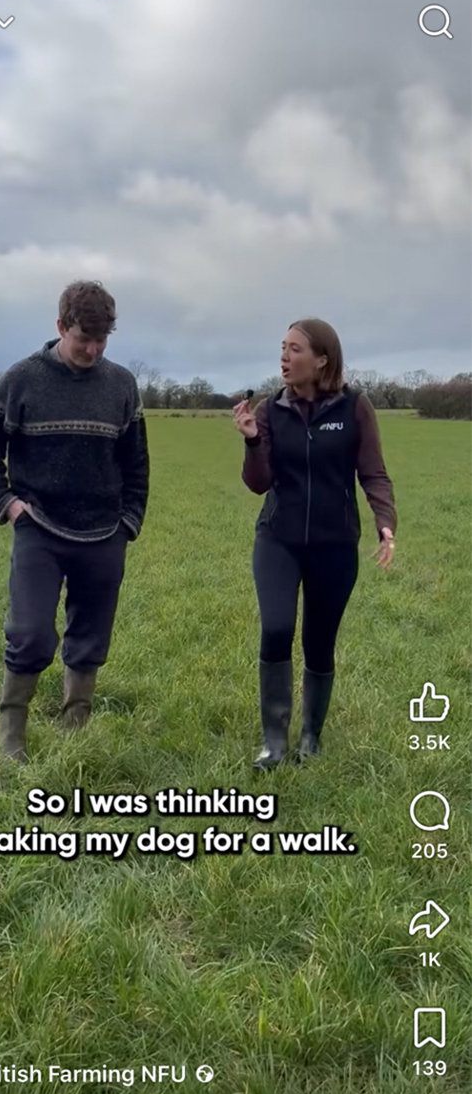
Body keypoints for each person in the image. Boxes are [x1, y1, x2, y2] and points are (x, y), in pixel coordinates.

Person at [0, 280, 150, 762]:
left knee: (91, 634)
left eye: (101, 340)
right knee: (30, 633)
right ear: (59, 327)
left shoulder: (121, 385)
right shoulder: (20, 380)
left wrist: (128, 521)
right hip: (40, 528)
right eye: (82, 339)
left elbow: (136, 463)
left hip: (104, 531)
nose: (92, 350)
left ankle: (76, 724)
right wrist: (7, 504)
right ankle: (12, 733)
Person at [233, 318, 396, 772]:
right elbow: (258, 482)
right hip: (278, 539)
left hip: (335, 544)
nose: (284, 357)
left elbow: (374, 473)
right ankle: (273, 742)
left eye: (296, 349)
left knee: (319, 642)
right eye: (282, 348)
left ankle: (311, 736)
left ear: (322, 359)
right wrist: (251, 441)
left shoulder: (355, 407)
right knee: (277, 628)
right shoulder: (269, 410)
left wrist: (385, 523)